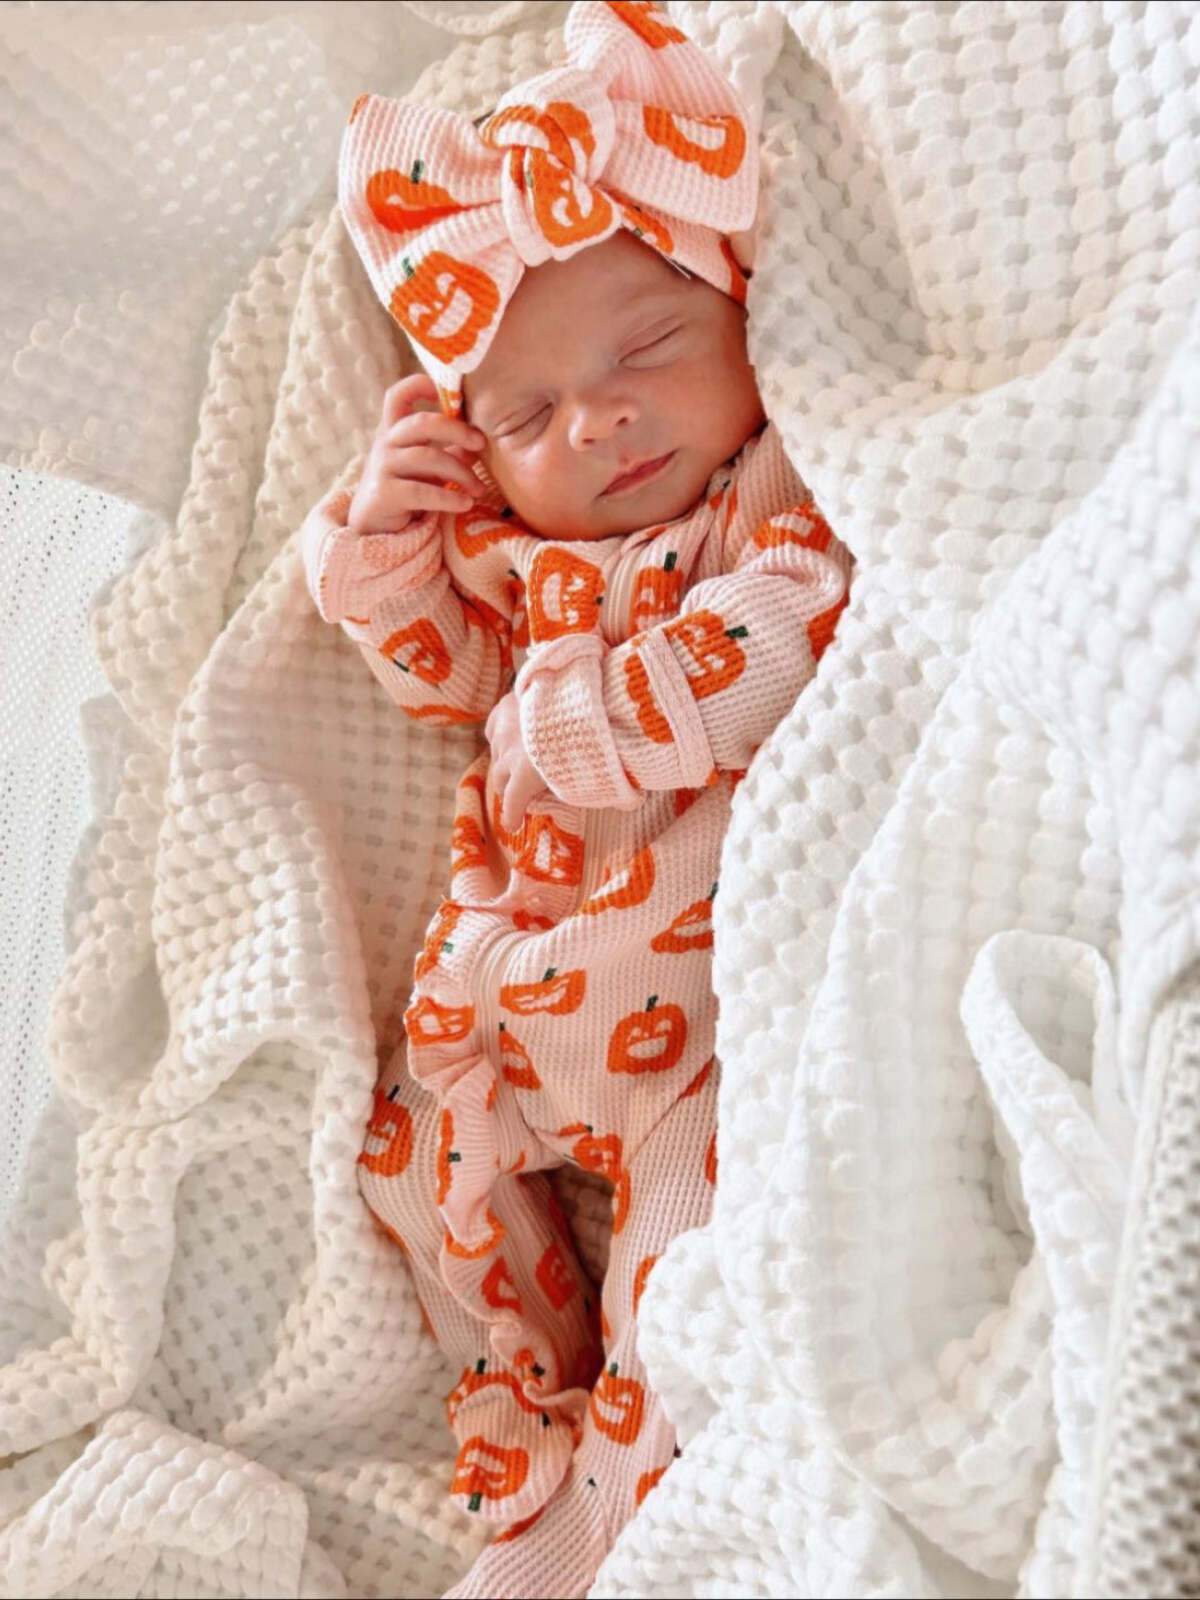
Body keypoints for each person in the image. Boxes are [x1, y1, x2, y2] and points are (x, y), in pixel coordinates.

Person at [301, 3, 851, 1593]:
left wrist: (604, 708)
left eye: (648, 353)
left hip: (695, 1021)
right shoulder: (519, 558)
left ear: (742, 314)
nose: (595, 422)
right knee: (414, 1168)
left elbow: (781, 637)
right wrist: (386, 552)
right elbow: (439, 680)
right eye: (527, 418)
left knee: (679, 1260)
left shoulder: (774, 503)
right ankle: (519, 1403)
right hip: (498, 995)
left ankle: (616, 1494)